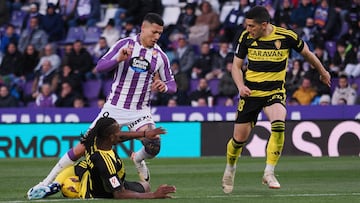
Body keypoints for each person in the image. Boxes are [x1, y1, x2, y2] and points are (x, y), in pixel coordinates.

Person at [27, 13, 177, 199]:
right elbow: (100, 66)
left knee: (154, 146)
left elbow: (172, 83)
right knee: (82, 147)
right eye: (154, 32)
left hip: (140, 110)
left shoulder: (160, 56)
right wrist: (118, 60)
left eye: (160, 33)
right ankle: (45, 183)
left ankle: (138, 158)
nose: (157, 37)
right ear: (143, 28)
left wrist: (164, 86)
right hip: (114, 108)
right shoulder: (124, 45)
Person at [221, 6, 331, 193]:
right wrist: (241, 87)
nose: (248, 29)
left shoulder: (286, 36)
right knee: (239, 139)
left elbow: (308, 54)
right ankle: (230, 168)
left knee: (279, 123)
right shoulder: (245, 37)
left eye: (251, 26)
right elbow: (236, 67)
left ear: (264, 25)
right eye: (246, 26)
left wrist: (323, 72)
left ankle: (269, 172)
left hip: (275, 92)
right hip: (252, 93)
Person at [28, 114, 176, 199]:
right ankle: (65, 186)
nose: (121, 133)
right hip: (102, 191)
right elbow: (119, 194)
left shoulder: (93, 141)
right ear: (110, 137)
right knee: (146, 187)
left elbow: (120, 137)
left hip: (91, 174)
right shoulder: (106, 161)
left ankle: (55, 184)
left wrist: (144, 134)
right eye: (118, 131)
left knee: (78, 167)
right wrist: (153, 195)